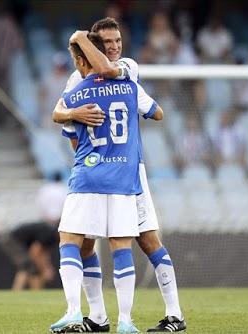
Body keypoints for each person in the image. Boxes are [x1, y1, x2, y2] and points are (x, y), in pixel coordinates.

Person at [52, 18, 186, 333]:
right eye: (108, 43)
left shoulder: (127, 67)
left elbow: (107, 73)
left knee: (148, 240)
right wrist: (74, 116)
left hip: (131, 172)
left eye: (118, 41)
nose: (114, 48)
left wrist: (80, 40)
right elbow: (62, 116)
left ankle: (175, 314)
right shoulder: (78, 78)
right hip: (101, 169)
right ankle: (99, 317)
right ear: (98, 44)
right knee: (87, 244)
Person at [0, 172, 67, 290]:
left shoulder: (51, 233)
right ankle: (17, 292)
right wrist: (45, 268)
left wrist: (47, 267)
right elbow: (35, 251)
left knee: (32, 267)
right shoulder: (49, 233)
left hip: (14, 239)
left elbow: (43, 253)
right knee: (27, 265)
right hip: (11, 239)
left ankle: (35, 292)